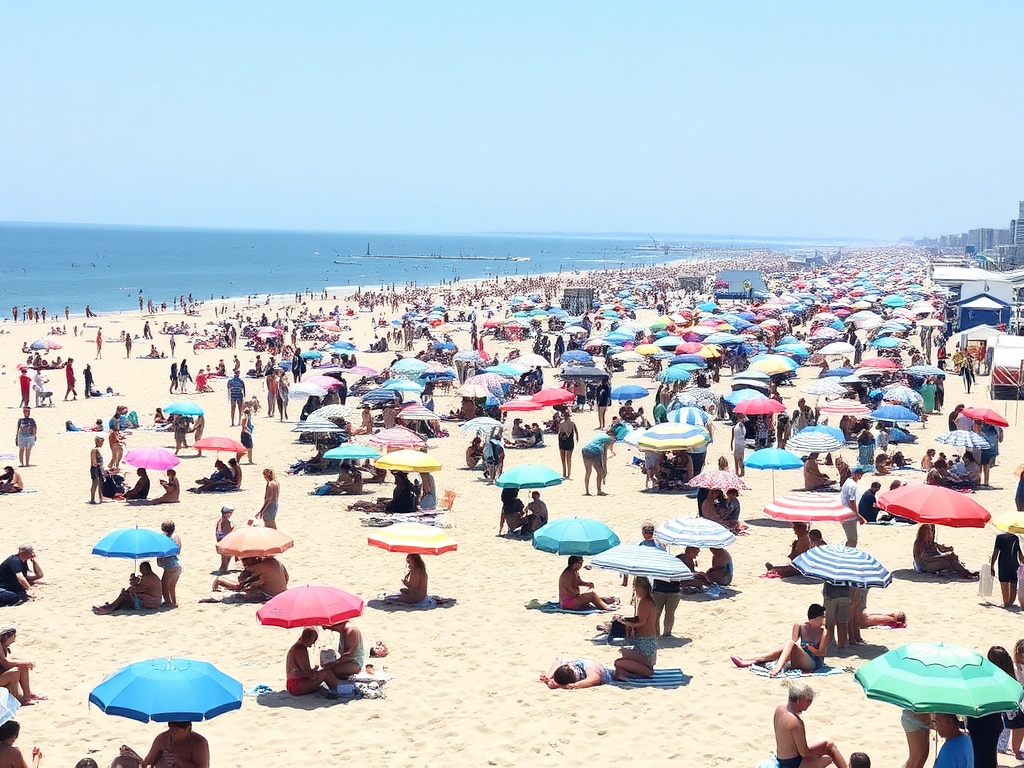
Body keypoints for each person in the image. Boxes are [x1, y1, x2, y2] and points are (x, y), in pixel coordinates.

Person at [731, 604, 831, 678]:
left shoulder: (824, 632)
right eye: (823, 617)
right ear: (817, 618)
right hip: (801, 656)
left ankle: (778, 667)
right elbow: (792, 642)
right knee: (784, 645)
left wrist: (812, 649)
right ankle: (747, 660)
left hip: (813, 662)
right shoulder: (800, 626)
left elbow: (822, 653)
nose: (824, 619)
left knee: (789, 643)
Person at [771, 684, 849, 768]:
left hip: (782, 757)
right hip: (792, 763)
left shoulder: (779, 709)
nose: (809, 705)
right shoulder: (796, 723)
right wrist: (817, 754)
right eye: (808, 701)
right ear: (799, 701)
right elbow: (804, 752)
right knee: (828, 758)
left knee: (828, 744)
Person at [967, 645, 1013, 768]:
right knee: (989, 757)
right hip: (994, 722)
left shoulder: (981, 676)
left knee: (978, 758)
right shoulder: (1005, 679)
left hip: (977, 721)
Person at [612, 576, 657, 681]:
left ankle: (646, 670)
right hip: (646, 643)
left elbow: (641, 623)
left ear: (642, 588)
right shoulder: (647, 600)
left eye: (636, 587)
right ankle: (639, 669)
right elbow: (640, 619)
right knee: (622, 657)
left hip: (645, 644)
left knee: (618, 662)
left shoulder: (645, 602)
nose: (635, 590)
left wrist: (625, 623)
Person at [286, 628, 343, 696]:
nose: (313, 643)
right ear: (309, 638)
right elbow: (310, 674)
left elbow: (301, 671)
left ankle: (337, 688)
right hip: (296, 686)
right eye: (314, 640)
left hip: (293, 684)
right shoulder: (300, 649)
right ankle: (340, 690)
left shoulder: (297, 647)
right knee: (327, 672)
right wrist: (316, 673)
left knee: (323, 675)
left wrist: (314, 670)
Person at [92, 561, 162, 614]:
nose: (141, 571)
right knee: (125, 596)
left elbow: (139, 589)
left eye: (142, 569)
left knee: (125, 596)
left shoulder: (151, 578)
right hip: (148, 597)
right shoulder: (148, 576)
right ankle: (111, 606)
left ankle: (110, 608)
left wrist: (131, 587)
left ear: (147, 569)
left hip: (152, 601)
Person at [913, 524, 978, 579]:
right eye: (930, 531)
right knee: (946, 562)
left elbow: (940, 548)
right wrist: (943, 557)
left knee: (951, 558)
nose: (932, 533)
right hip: (924, 566)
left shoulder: (930, 543)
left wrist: (947, 549)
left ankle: (965, 572)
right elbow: (925, 558)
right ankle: (964, 574)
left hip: (929, 562)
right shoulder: (920, 544)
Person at [1, 627, 45, 705]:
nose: (14, 639)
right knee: (15, 672)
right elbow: (5, 663)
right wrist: (26, 663)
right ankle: (21, 700)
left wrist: (23, 664)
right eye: (13, 637)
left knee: (22, 666)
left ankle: (28, 695)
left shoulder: (3, 645)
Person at [140, 722, 209, 768]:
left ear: (188, 729)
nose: (170, 734)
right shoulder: (163, 738)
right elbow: (147, 762)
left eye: (175, 731)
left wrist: (179, 761)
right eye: (170, 729)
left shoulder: (199, 743)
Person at [991, 530, 1024, 608]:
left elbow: (995, 553)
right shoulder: (1015, 538)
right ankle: (1010, 603)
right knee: (1013, 583)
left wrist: (992, 566)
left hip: (1003, 563)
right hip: (1014, 563)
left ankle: (1006, 603)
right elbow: (1019, 553)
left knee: (1004, 582)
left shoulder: (1000, 537)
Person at [539, 657, 612, 690]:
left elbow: (595, 679)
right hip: (582, 666)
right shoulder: (570, 666)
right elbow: (559, 660)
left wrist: (562, 686)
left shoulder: (593, 668)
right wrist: (549, 677)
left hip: (608, 671)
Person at [157, 520, 182, 607]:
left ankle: (168, 602)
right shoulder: (176, 537)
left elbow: (164, 553)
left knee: (164, 585)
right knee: (172, 587)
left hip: (169, 565)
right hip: (177, 564)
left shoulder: (166, 539)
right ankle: (174, 602)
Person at [839, 468, 865, 547]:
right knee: (853, 540)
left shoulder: (847, 481)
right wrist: (858, 515)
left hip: (843, 512)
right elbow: (852, 501)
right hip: (849, 515)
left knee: (850, 539)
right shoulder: (853, 485)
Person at [215, 506, 234, 572]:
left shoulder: (221, 521)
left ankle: (224, 569)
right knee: (226, 557)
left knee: (226, 557)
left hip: (222, 541)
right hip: (224, 541)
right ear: (226, 514)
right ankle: (223, 569)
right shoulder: (224, 521)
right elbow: (220, 532)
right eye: (230, 513)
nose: (231, 514)